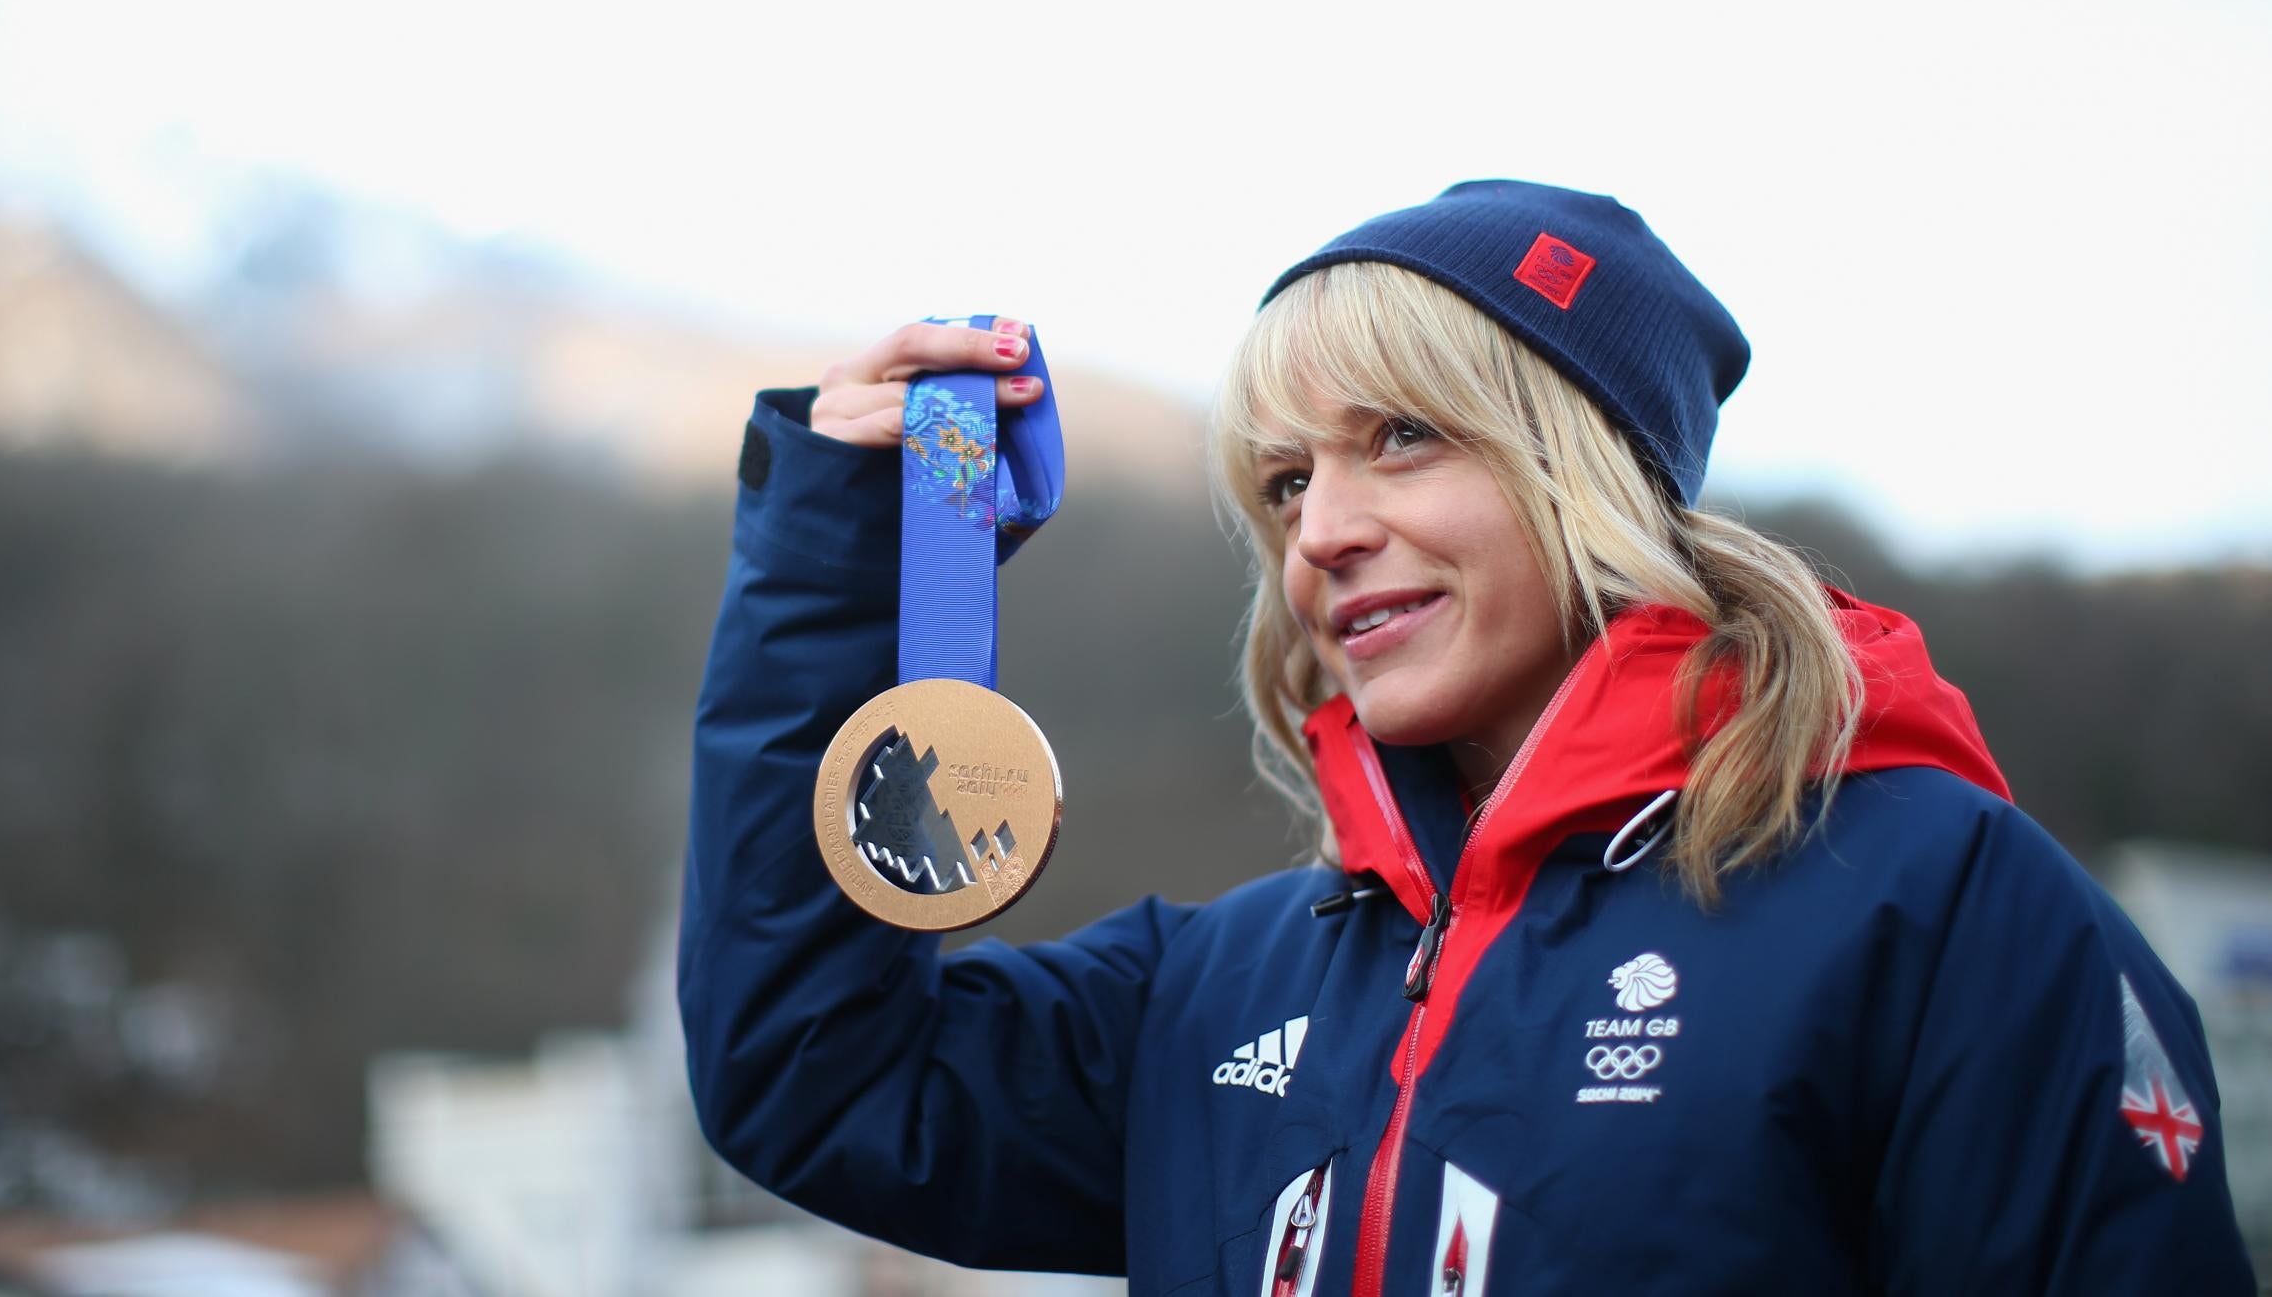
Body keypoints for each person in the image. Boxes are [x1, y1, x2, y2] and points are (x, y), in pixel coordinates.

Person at [680, 180, 2254, 1294]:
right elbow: (819, 1078)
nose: (1326, 533)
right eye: (1288, 484)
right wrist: (845, 568)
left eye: (1404, 440)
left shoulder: (1939, 911)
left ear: (1589, 473)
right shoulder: (1222, 990)